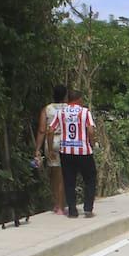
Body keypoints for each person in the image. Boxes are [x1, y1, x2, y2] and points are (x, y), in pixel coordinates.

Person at [49, 90, 98, 218]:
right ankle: (88, 208)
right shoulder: (85, 112)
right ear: (79, 99)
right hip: (83, 151)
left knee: (69, 181)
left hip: (66, 151)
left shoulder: (61, 112)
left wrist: (50, 149)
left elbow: (51, 130)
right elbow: (90, 130)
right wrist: (92, 143)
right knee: (90, 179)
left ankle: (72, 210)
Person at [33, 85, 68, 215]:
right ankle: (61, 205)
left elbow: (42, 130)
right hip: (67, 142)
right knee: (63, 174)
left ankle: (56, 203)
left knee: (54, 173)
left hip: (51, 142)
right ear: (65, 95)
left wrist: (37, 149)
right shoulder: (69, 109)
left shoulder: (47, 109)